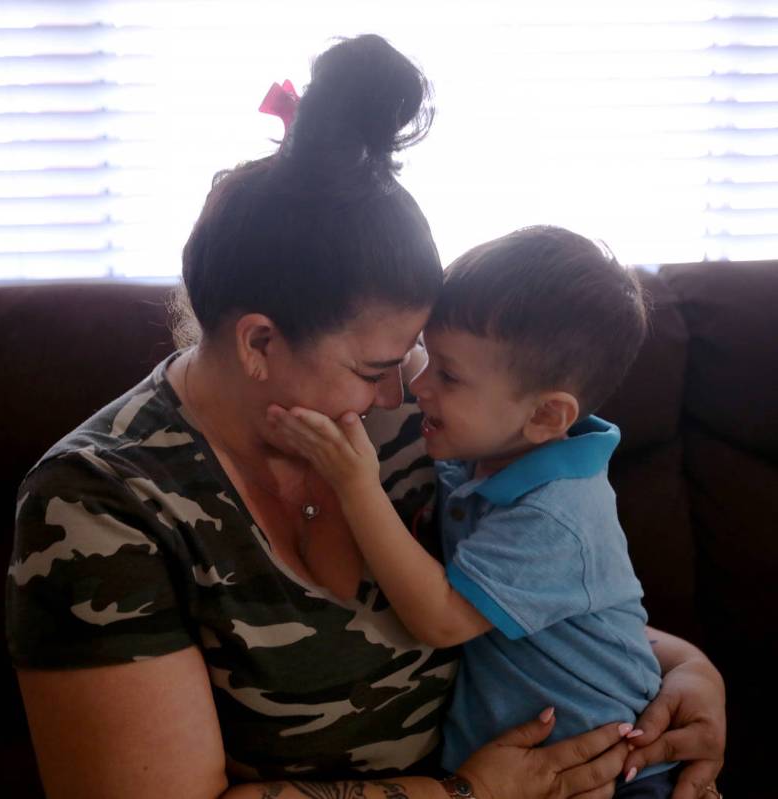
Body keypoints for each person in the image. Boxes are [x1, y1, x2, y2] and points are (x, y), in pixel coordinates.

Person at [6, 34, 724, 799]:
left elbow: (535, 588)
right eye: (375, 369)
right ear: (259, 342)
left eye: (415, 357)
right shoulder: (99, 507)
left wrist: (685, 670)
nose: (403, 397)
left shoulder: (445, 416)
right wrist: (465, 795)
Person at [268, 226, 682, 798]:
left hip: (606, 772)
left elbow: (442, 618)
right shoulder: (484, 450)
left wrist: (354, 485)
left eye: (448, 374)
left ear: (546, 417)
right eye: (428, 358)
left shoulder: (557, 514)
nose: (417, 385)